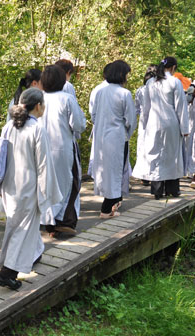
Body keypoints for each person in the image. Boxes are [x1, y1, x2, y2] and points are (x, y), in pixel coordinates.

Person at [0, 88, 62, 288]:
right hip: (28, 187)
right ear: (38, 106)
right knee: (23, 231)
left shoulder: (9, 126)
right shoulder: (37, 129)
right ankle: (6, 273)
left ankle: (10, 269)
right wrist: (45, 193)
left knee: (14, 227)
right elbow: (43, 165)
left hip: (10, 185)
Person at [38, 65, 86, 236]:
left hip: (41, 148)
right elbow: (78, 124)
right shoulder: (67, 99)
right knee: (70, 182)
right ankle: (64, 221)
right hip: (63, 147)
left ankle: (47, 220)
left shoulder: (38, 98)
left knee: (45, 184)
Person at [90, 60, 137, 218]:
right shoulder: (124, 93)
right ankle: (106, 209)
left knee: (106, 170)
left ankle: (112, 204)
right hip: (117, 137)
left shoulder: (101, 91)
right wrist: (126, 133)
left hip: (102, 137)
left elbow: (94, 115)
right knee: (117, 171)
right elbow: (131, 120)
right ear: (121, 75)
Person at [141, 56, 189, 199]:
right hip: (170, 122)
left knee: (155, 155)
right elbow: (181, 107)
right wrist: (185, 128)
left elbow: (146, 107)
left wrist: (144, 124)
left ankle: (157, 190)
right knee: (172, 156)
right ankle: (172, 189)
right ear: (173, 67)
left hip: (153, 122)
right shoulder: (174, 82)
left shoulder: (151, 82)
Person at [131, 65, 157, 185]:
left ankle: (143, 175)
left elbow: (136, 108)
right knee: (154, 146)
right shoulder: (158, 89)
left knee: (142, 146)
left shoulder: (140, 90)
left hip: (143, 120)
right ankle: (152, 173)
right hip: (155, 118)